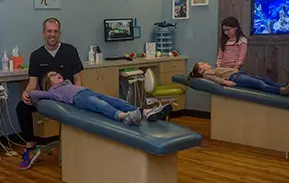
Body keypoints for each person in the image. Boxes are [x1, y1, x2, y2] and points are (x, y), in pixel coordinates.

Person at [16, 18, 84, 170]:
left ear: (59, 33)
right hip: (45, 99)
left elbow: (78, 79)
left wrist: (76, 96)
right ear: (43, 33)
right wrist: (26, 93)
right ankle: (30, 147)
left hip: (67, 97)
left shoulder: (70, 51)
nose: (52, 34)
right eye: (49, 31)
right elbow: (32, 83)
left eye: (55, 31)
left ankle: (72, 147)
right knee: (22, 107)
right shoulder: (36, 55)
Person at [29, 71, 172, 124]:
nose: (56, 74)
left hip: (88, 91)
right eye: (52, 76)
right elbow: (34, 94)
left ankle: (145, 112)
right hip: (79, 99)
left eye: (56, 73)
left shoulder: (67, 83)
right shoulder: (53, 91)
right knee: (101, 105)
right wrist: (30, 93)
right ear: (49, 83)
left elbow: (72, 79)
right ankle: (124, 116)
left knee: (116, 100)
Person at [188, 62, 289, 96]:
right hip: (234, 78)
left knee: (265, 80)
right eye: (202, 63)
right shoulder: (206, 74)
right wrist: (226, 82)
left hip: (238, 74)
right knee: (260, 84)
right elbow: (216, 80)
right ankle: (282, 91)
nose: (205, 63)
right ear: (200, 70)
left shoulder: (212, 69)